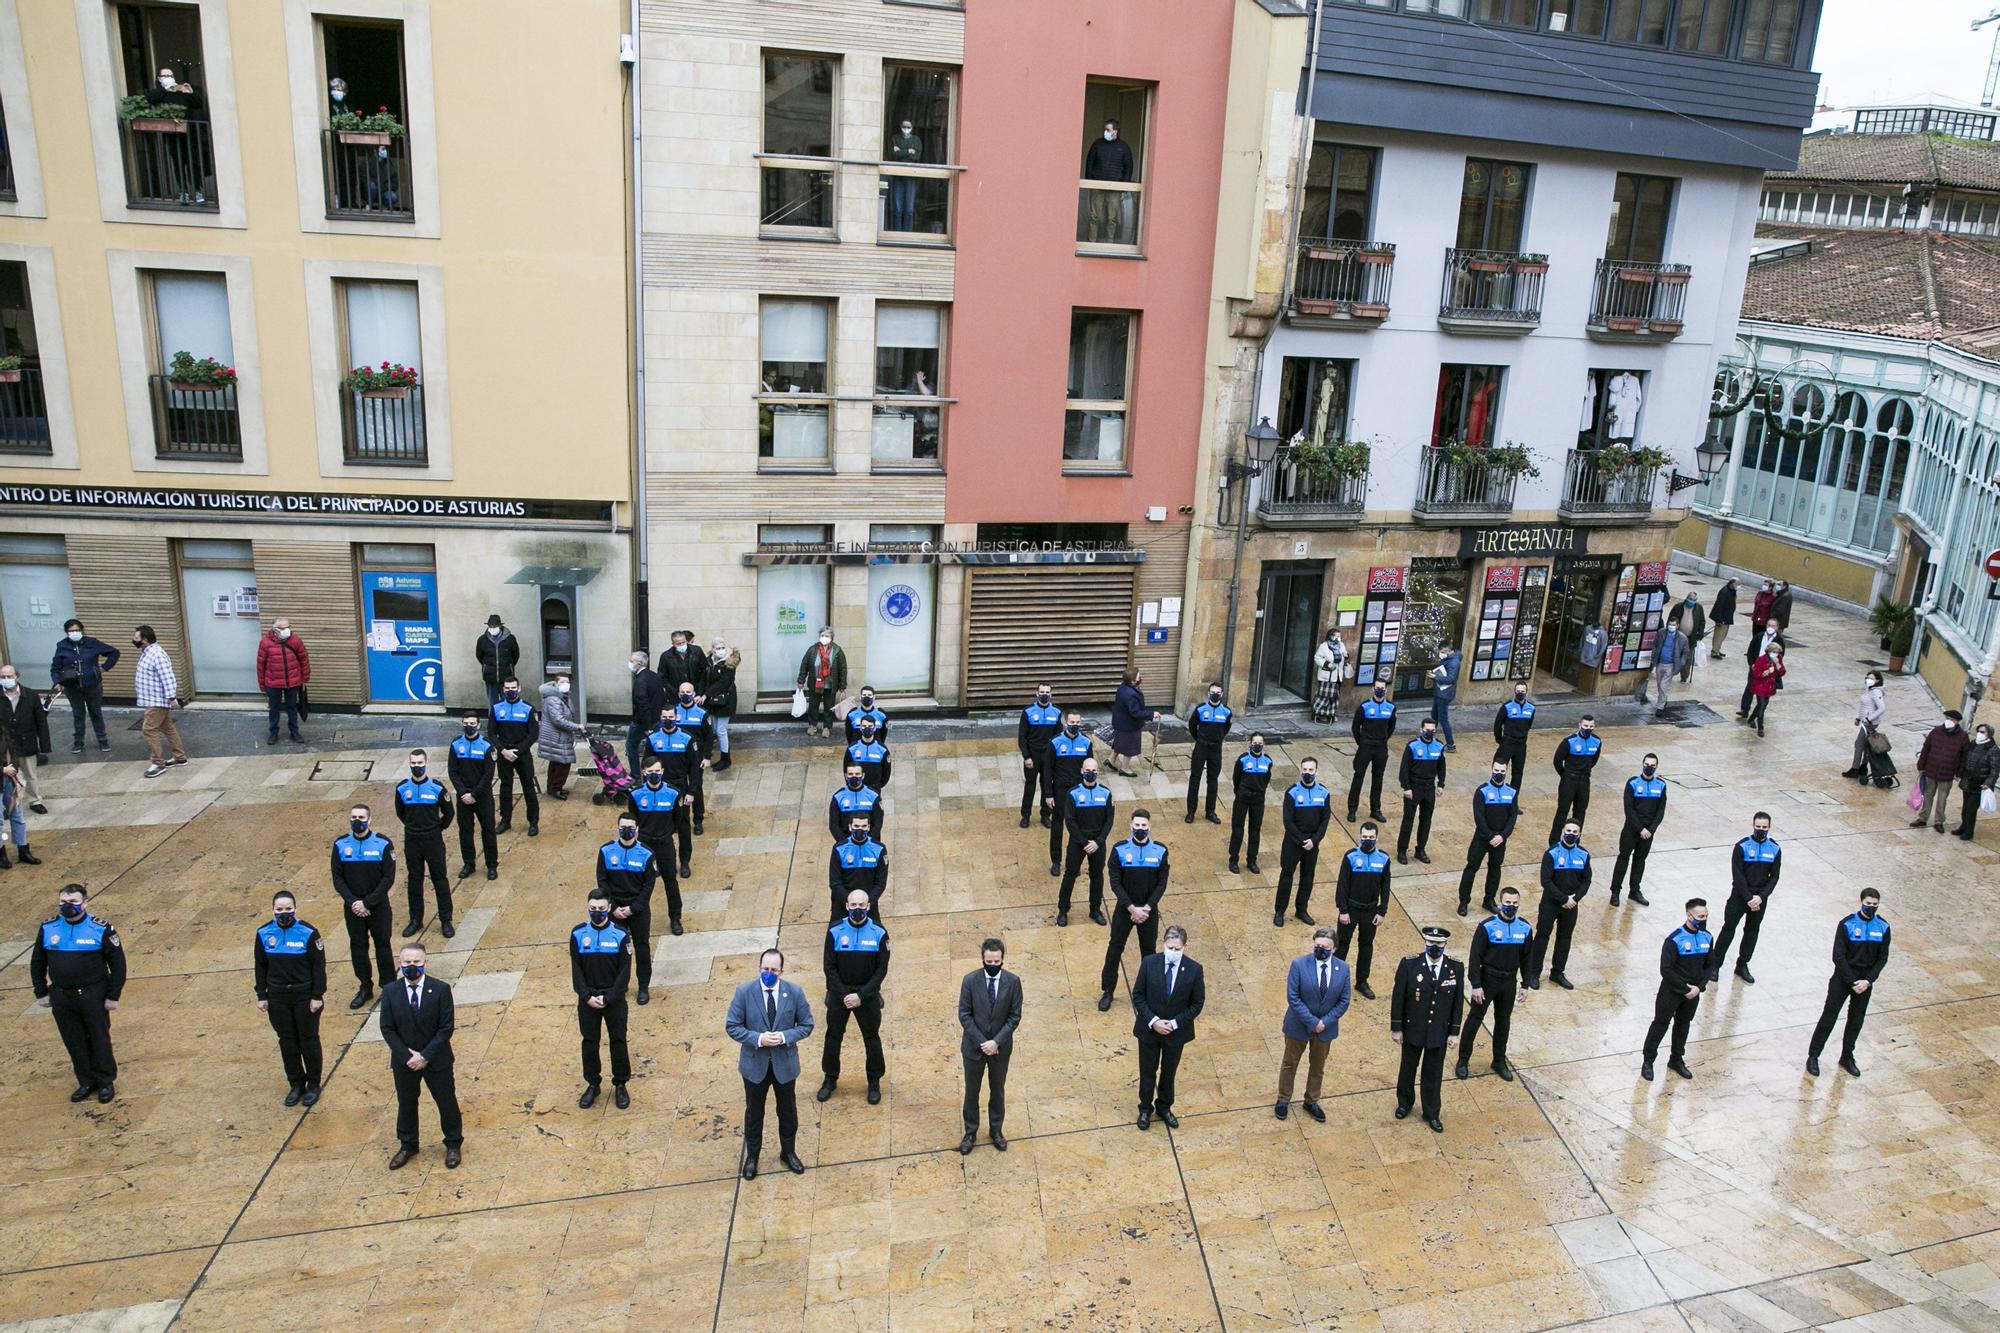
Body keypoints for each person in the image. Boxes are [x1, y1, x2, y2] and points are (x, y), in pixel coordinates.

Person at [31, 884, 125, 1104]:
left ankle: (104, 1082)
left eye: (73, 902)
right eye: (63, 902)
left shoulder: (101, 929)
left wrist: (113, 995)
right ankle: (86, 1081)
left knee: (99, 1038)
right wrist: (41, 991)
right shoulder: (48, 928)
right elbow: (38, 962)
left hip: (93, 994)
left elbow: (118, 964)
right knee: (73, 1040)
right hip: (62, 996)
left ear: (85, 903)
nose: (67, 906)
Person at [727, 948, 813, 1178]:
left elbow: (807, 1024)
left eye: (774, 970)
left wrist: (785, 1037)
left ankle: (788, 1152)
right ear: (759, 968)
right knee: (754, 1113)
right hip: (755, 1067)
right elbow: (732, 1026)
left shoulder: (794, 993)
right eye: (765, 969)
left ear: (781, 971)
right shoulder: (744, 992)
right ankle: (752, 1156)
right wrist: (758, 1039)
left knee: (787, 1112)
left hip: (784, 1066)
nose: (769, 973)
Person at [381, 944, 463, 1169]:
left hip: (436, 1059)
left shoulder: (440, 989)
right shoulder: (390, 991)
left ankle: (453, 1143)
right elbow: (387, 1028)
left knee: (446, 1101)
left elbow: (446, 1028)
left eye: (416, 962)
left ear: (425, 963)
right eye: (407, 962)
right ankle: (408, 1144)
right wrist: (408, 1056)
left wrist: (424, 1056)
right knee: (406, 1103)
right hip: (404, 1061)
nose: (412, 966)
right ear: (400, 964)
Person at [254, 890, 326, 1107]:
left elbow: (318, 967)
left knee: (308, 1040)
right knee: (287, 1042)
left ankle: (313, 1084)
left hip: (304, 996)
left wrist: (317, 996)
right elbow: (260, 966)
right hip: (278, 997)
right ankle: (296, 1083)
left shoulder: (309, 933)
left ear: (295, 909)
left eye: (288, 909)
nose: (284, 913)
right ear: (273, 910)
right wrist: (262, 995)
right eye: (279, 909)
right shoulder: (264, 933)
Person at [819, 888, 889, 1104]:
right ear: (846, 906)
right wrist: (843, 994)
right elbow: (829, 967)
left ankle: (874, 1081)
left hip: (866, 996)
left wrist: (861, 995)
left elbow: (881, 970)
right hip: (840, 994)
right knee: (833, 1037)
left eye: (861, 905)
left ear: (868, 906)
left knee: (872, 1038)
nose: (857, 909)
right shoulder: (834, 932)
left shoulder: (879, 933)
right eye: (853, 905)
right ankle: (830, 1078)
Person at [1130, 924, 1204, 1130]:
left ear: (1185, 947)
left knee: (1169, 1072)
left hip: (1175, 1033)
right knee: (1147, 1072)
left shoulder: (1194, 970)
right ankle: (1145, 1108)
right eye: (1169, 948)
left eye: (1177, 949)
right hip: (1149, 1030)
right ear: (1163, 944)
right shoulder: (1149, 963)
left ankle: (1164, 1106)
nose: (1172, 952)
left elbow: (1197, 1003)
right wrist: (1154, 1021)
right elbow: (1138, 995)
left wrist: (1173, 1023)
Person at [1390, 926, 1463, 1132]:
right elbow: (1398, 999)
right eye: (1431, 943)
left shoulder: (1455, 968)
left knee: (1433, 1073)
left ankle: (1431, 1112)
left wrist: (1454, 1032)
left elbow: (1457, 1003)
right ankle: (1404, 1103)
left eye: (1439, 944)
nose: (1434, 947)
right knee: (1408, 1068)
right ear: (1425, 943)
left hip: (1438, 1032)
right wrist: (1397, 1028)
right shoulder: (1410, 965)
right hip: (1414, 1029)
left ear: (1445, 945)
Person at [1276, 925, 1350, 1121]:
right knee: (1289, 1064)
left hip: (1325, 1029)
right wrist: (1312, 1022)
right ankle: (1283, 1099)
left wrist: (1324, 1022)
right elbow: (1293, 997)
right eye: (1317, 945)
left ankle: (1311, 1101)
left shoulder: (1343, 969)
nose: (1320, 949)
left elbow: (1344, 1000)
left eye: (1325, 947)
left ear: (1334, 949)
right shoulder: (1299, 965)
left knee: (1318, 1067)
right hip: (1298, 1025)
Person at [1456, 886, 1531, 1081]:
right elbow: (1475, 957)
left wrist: (1525, 984)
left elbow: (1527, 958)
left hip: (1509, 982)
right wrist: (1476, 984)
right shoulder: (1487, 926)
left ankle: (1498, 1060)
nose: (1511, 906)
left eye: (1515, 903)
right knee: (1475, 1018)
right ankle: (1463, 1060)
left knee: (1503, 1022)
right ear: (1499, 903)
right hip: (1488, 979)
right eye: (1507, 903)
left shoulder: (1524, 928)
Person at [571, 891, 635, 1109]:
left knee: (618, 1041)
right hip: (588, 1000)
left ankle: (620, 1084)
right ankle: (592, 1083)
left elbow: (624, 973)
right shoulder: (578, 934)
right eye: (593, 909)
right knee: (589, 1042)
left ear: (608, 908)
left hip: (613, 1000)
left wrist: (609, 998)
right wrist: (586, 996)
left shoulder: (621, 935)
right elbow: (576, 971)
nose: (596, 913)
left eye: (601, 909)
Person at [958, 937, 1021, 1153]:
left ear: (1002, 959)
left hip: (1000, 1049)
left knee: (998, 1090)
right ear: (982, 959)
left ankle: (996, 1130)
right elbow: (964, 1015)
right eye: (989, 961)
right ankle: (970, 1132)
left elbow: (1014, 1016)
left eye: (996, 962)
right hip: (974, 1048)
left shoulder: (1013, 982)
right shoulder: (969, 980)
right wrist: (983, 1042)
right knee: (971, 1092)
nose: (992, 965)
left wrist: (996, 1042)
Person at [1100, 809, 1167, 1009]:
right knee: (1114, 949)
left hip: (1148, 910)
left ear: (1149, 826)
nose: (1140, 829)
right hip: (1125, 909)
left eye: (1144, 826)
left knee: (1149, 953)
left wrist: (1146, 908)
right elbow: (1115, 882)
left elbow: (1161, 883)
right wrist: (1131, 908)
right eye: (1137, 825)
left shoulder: (1160, 851)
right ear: (1130, 825)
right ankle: (1108, 990)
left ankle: (1148, 993)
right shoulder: (1119, 850)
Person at [331, 803, 396, 1010]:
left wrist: (368, 902)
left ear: (370, 820)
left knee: (383, 946)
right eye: (353, 817)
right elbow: (337, 878)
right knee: (358, 948)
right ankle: (365, 986)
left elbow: (388, 877)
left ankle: (388, 986)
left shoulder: (383, 844)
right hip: (353, 908)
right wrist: (354, 903)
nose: (356, 821)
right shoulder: (341, 845)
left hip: (377, 906)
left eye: (361, 817)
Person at [1641, 900, 1711, 1081]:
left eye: (1705, 916)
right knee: (1660, 1024)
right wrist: (1684, 988)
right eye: (1700, 917)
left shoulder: (1707, 937)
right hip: (1672, 992)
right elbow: (1666, 969)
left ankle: (1676, 1058)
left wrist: (1699, 987)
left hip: (1693, 993)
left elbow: (1710, 965)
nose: (1703, 920)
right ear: (1689, 916)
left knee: (1683, 1024)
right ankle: (1648, 1060)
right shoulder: (1674, 939)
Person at [598, 813, 663, 1005]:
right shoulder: (606, 851)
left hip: (637, 909)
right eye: (623, 827)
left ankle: (643, 986)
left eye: (630, 828)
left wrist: (634, 908)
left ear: (637, 829)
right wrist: (614, 908)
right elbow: (602, 881)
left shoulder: (646, 853)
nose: (627, 831)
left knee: (642, 948)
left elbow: (648, 885)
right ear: (617, 828)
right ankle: (618, 986)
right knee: (615, 950)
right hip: (615, 909)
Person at [1710, 812, 1780, 984]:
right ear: (1753, 825)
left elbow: (1774, 877)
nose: (1761, 830)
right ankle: (1714, 965)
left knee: (1752, 931)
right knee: (1728, 929)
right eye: (1758, 827)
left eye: (1764, 827)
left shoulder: (1775, 848)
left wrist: (1761, 897)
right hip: (1740, 896)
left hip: (1759, 899)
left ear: (1769, 827)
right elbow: (1737, 875)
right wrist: (1749, 897)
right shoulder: (1742, 846)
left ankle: (1742, 965)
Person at [393, 749, 455, 939]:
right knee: (414, 880)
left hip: (433, 840)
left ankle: (446, 920)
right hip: (412, 840)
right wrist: (414, 827)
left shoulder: (437, 788)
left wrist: (436, 828)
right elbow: (400, 813)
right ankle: (415, 920)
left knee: (440, 879)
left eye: (420, 763)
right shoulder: (402, 788)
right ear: (409, 764)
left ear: (426, 763)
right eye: (413, 763)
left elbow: (449, 813)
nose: (417, 767)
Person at [627, 762, 686, 945]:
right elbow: (633, 818)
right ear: (644, 772)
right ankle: (633, 920)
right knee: (639, 884)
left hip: (664, 844)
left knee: (670, 881)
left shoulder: (673, 793)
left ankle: (675, 918)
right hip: (644, 845)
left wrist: (666, 833)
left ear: (663, 771)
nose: (654, 774)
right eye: (650, 772)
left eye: (657, 771)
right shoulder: (636, 794)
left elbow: (678, 819)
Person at [1529, 821, 1591, 990]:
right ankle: (1533, 973)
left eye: (1575, 831)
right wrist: (1563, 899)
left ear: (1579, 834)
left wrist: (1575, 899)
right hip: (1551, 903)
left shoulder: (1584, 854)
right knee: (1542, 936)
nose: (1571, 834)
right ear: (1563, 832)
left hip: (1572, 904)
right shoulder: (1551, 853)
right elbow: (1546, 881)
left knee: (1565, 939)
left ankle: (1557, 972)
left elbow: (1587, 880)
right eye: (1568, 830)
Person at [1333, 821, 1390, 999]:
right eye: (1364, 837)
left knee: (1366, 947)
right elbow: (1342, 884)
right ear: (1360, 837)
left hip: (1370, 911)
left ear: (1377, 838)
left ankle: (1362, 981)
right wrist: (1343, 910)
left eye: (1371, 838)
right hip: (1350, 909)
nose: (1367, 840)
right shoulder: (1350, 856)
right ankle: (1335, 982)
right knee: (1342, 945)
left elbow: (1386, 887)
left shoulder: (1383, 859)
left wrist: (1382, 911)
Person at [1457, 760, 1518, 917]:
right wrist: (1490, 836)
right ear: (1491, 770)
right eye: (1496, 770)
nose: (1499, 773)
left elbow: (1512, 817)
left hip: (1500, 839)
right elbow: (1479, 816)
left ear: (1506, 772)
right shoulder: (1482, 791)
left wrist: (1503, 836)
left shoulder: (1511, 792)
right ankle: (1464, 902)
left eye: (1502, 771)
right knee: (1471, 868)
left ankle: (1489, 900)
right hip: (1483, 837)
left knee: (1495, 869)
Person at [1275, 759, 1331, 927]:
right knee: (1286, 876)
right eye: (1305, 769)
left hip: (1312, 844)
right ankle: (1279, 911)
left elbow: (1325, 819)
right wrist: (1301, 840)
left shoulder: (1323, 793)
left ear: (1316, 771)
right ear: (1300, 771)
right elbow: (1288, 821)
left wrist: (1314, 840)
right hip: (1293, 843)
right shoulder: (1292, 792)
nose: (1308, 772)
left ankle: (1301, 910)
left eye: (1311, 769)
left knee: (1307, 877)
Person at [1059, 758, 1114, 926]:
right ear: (1082, 771)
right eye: (1088, 770)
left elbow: (1109, 820)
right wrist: (1084, 842)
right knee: (1070, 875)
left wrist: (1098, 841)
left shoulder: (1105, 793)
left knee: (1097, 876)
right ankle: (1063, 910)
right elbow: (1070, 821)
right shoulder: (1073, 793)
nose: (1091, 773)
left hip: (1098, 842)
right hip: (1078, 842)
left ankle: (1095, 910)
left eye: (1094, 770)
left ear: (1098, 772)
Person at [51, 618, 118, 754]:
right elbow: (55, 667)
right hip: (72, 686)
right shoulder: (62, 646)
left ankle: (103, 740)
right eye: (71, 631)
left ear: (82, 630)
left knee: (96, 712)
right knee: (78, 714)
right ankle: (78, 742)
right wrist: (57, 682)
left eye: (77, 630)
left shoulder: (92, 643)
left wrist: (104, 668)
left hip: (92, 684)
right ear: (66, 633)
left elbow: (114, 652)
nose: (74, 633)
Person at [1606, 754, 1665, 907]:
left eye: (1652, 765)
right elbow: (1629, 809)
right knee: (1623, 858)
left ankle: (1634, 891)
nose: (1649, 767)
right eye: (1647, 764)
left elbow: (1660, 811)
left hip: (1648, 833)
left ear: (1656, 766)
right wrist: (1640, 829)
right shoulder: (1632, 783)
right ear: (1642, 764)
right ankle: (1615, 891)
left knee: (1640, 861)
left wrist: (1650, 830)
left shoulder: (1661, 785)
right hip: (1631, 829)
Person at [448, 712, 500, 882]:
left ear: (478, 725)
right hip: (464, 797)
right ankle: (469, 863)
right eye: (466, 723)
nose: (468, 726)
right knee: (465, 831)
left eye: (472, 723)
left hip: (482, 796)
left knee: (488, 830)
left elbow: (488, 774)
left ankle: (491, 864)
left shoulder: (487, 745)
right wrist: (463, 793)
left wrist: (475, 794)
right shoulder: (456, 744)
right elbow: (453, 771)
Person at [132, 625, 186, 779]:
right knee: (167, 727)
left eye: (136, 638)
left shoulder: (157, 655)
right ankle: (179, 756)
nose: (134, 640)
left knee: (148, 729)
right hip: (151, 699)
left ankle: (158, 763)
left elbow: (168, 677)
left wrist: (171, 697)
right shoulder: (147, 653)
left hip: (156, 701)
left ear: (145, 639)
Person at [488, 676, 540, 837]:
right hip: (504, 754)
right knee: (505, 787)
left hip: (522, 755)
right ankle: (505, 820)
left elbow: (533, 734)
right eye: (507, 688)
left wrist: (518, 751)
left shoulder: (528, 708)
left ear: (519, 688)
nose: (510, 691)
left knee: (529, 787)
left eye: (513, 688)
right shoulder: (496, 708)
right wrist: (503, 750)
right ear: (503, 689)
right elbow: (491, 732)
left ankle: (533, 821)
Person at [0, 664, 53, 812]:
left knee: (30, 774)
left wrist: (44, 745)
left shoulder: (30, 695)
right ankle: (11, 804)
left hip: (27, 741)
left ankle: (35, 801)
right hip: (6, 746)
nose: (6, 679)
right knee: (10, 776)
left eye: (9, 676)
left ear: (16, 676)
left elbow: (40, 721)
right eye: (2, 677)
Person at [1047, 710, 1093, 874]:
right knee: (1058, 826)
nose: (1074, 726)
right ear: (1065, 723)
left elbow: (1090, 766)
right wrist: (1048, 794)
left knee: (1078, 827)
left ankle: (1073, 862)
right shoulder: (1055, 742)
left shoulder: (1086, 742)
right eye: (1071, 722)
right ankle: (1056, 861)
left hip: (1078, 790)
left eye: (1077, 723)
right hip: (1060, 789)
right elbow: (1048, 770)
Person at [1397, 717, 1447, 865]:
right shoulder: (1412, 746)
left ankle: (1420, 850)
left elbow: (1441, 767)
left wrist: (1441, 784)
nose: (1429, 733)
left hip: (1429, 788)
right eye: (1427, 730)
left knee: (1426, 821)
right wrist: (1406, 787)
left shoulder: (1439, 746)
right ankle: (1402, 850)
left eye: (1433, 731)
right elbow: (1404, 769)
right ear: (1421, 730)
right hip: (1414, 787)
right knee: (1408, 820)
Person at [1913, 710, 1971, 834]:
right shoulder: (1936, 731)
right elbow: (1926, 748)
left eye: (1951, 719)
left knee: (1942, 799)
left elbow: (1964, 757)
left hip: (1947, 773)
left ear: (1956, 722)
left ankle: (1939, 822)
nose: (1948, 721)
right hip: (1931, 770)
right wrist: (1921, 765)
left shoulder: (1963, 736)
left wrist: (1959, 773)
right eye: (1947, 718)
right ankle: (1923, 818)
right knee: (1928, 795)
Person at [255, 617, 310, 745]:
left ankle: (294, 732)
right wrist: (262, 684)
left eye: (288, 627)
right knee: (274, 708)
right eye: (283, 628)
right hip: (273, 683)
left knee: (292, 707)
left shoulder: (295, 641)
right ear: (275, 629)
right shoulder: (265, 643)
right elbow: (260, 665)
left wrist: (305, 678)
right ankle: (273, 733)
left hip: (292, 681)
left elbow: (304, 659)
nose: (287, 630)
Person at [1548, 715, 1601, 847]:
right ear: (1579, 726)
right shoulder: (1569, 741)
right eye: (1585, 726)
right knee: (1562, 811)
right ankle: (1554, 840)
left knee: (1580, 811)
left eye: (1591, 727)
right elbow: (1557, 761)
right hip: (1569, 780)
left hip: (1584, 781)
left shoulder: (1597, 741)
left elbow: (1594, 760)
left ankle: (1575, 840)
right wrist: (1565, 775)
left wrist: (1584, 771)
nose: (1588, 729)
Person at [1348, 682, 1397, 822]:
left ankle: (1375, 810)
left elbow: (1391, 727)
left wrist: (1383, 739)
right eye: (1377, 688)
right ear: (1373, 689)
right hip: (1366, 746)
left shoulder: (1391, 707)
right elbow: (1355, 727)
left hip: (1381, 747)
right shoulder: (1364, 707)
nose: (1379, 690)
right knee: (1358, 776)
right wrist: (1362, 742)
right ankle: (1352, 809)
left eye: (1382, 688)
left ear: (1386, 690)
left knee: (1378, 778)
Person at [1184, 683, 1232, 825]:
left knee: (1213, 781)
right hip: (1201, 747)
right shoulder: (1200, 709)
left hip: (1216, 749)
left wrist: (1217, 739)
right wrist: (1199, 739)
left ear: (1222, 694)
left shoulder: (1226, 712)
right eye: (1212, 692)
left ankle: (1210, 811)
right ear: (1208, 693)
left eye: (1218, 692)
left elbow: (1226, 728)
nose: (1215, 694)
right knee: (1195, 779)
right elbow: (1192, 726)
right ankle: (1191, 811)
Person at [670, 684, 715, 834]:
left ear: (694, 693)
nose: (685, 694)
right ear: (678, 694)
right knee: (678, 789)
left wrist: (707, 757)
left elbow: (709, 737)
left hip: (697, 756)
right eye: (682, 692)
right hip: (679, 756)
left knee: (696, 787)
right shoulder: (674, 712)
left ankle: (698, 820)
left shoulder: (702, 713)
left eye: (688, 692)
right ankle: (679, 820)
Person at [1017, 683, 1062, 829]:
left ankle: (1045, 815)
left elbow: (1059, 737)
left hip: (1048, 756)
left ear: (1051, 694)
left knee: (1047, 785)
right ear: (1036, 693)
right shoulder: (1028, 711)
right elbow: (1022, 737)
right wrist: (1026, 757)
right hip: (1033, 754)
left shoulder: (1056, 712)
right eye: (1042, 692)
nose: (1044, 694)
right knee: (1030, 785)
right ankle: (1025, 815)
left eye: (1047, 692)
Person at [828, 814, 889, 923]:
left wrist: (865, 903)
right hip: (843, 904)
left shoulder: (879, 849)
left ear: (869, 827)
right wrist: (851, 902)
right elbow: (835, 882)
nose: (860, 829)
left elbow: (880, 882)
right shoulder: (839, 849)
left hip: (868, 904)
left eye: (863, 826)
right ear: (850, 827)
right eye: (856, 826)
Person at [1082, 118, 1135, 242]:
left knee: (1112, 218)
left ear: (1115, 131)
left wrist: (1124, 185)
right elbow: (1089, 162)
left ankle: (1109, 243)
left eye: (1108, 129)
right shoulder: (1097, 144)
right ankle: (1092, 243)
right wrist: (1090, 181)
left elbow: (1128, 166)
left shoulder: (1123, 147)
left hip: (1115, 188)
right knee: (1094, 217)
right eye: (1105, 129)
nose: (1105, 132)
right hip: (1097, 186)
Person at [1228, 733, 1273, 875]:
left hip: (1258, 799)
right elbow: (1236, 778)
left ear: (1263, 744)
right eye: (1255, 742)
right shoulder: (1242, 760)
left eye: (1260, 742)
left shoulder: (1268, 761)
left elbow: (1266, 779)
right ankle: (1233, 859)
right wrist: (1240, 792)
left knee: (1255, 830)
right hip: (1242, 797)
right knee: (1238, 829)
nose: (1257, 745)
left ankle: (1251, 860)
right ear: (1250, 743)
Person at [537, 675, 587, 799]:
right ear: (556, 683)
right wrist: (577, 726)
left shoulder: (563, 696)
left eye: (567, 681)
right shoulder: (554, 699)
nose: (566, 684)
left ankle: (553, 787)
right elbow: (558, 720)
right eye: (562, 682)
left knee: (556, 761)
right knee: (564, 762)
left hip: (558, 735)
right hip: (557, 736)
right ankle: (556, 788)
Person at [795, 627, 846, 739]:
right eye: (822, 635)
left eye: (827, 636)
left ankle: (827, 727)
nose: (824, 638)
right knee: (813, 706)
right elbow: (804, 665)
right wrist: (801, 680)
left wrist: (842, 685)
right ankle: (812, 725)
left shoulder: (837, 650)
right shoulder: (812, 649)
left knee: (829, 706)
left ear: (831, 638)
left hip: (830, 685)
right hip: (815, 683)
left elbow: (842, 669)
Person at [1954, 721, 1999, 840]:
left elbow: (1994, 771)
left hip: (1980, 784)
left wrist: (1988, 784)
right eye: (1978, 731)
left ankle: (1968, 832)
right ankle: (1963, 827)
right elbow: (1965, 759)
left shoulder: (1993, 749)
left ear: (1989, 734)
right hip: (1968, 781)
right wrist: (1960, 774)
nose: (1979, 733)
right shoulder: (1973, 743)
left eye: (1982, 732)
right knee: (1965, 807)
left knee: (1971, 809)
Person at [1109, 668, 1157, 777]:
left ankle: (1111, 759)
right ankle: (1124, 768)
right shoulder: (1131, 694)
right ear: (1132, 680)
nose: (1140, 678)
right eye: (1138, 677)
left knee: (1119, 742)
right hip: (1129, 725)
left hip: (1120, 722)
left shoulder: (1122, 687)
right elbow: (1135, 712)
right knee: (1129, 747)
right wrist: (1151, 714)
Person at [627, 650, 666, 781]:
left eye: (632, 661)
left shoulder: (640, 681)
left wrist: (646, 726)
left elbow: (642, 705)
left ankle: (635, 775)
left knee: (631, 745)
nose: (630, 663)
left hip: (643, 721)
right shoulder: (653, 676)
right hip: (656, 718)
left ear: (639, 663)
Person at [1491, 683, 1536, 793]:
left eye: (1522, 691)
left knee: (1517, 773)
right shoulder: (1507, 707)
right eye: (1518, 691)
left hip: (1521, 744)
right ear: (1515, 692)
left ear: (1526, 692)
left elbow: (1529, 725)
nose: (1520, 693)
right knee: (1498, 769)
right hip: (1507, 742)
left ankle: (1513, 802)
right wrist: (1500, 740)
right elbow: (1497, 725)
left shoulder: (1531, 708)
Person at [829, 761, 886, 845]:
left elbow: (878, 823)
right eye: (851, 774)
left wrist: (868, 842)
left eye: (857, 774)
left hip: (870, 845)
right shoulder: (838, 797)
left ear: (863, 775)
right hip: (846, 846)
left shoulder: (873, 796)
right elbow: (834, 825)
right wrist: (846, 843)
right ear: (845, 775)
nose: (854, 777)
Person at [1845, 671, 1887, 782]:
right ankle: (1862, 767)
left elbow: (1882, 708)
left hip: (1870, 723)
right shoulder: (1869, 689)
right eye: (1867, 677)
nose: (1868, 679)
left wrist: (1868, 719)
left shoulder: (1876, 691)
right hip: (1865, 722)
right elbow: (1864, 707)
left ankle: (1855, 769)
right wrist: (1859, 718)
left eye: (1871, 678)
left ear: (1877, 680)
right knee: (1865, 745)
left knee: (1859, 743)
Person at [1, 746, 38, 869]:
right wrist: (3, 769)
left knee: (18, 816)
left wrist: (13, 768)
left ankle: (23, 850)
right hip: (5, 775)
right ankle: (1, 856)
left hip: (9, 779)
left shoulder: (4, 730)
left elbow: (11, 749)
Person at [707, 640, 740, 771]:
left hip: (725, 700)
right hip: (714, 701)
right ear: (713, 649)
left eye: (722, 647)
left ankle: (726, 758)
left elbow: (724, 683)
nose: (720, 650)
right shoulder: (710, 661)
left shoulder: (729, 663)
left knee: (721, 730)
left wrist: (707, 693)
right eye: (717, 648)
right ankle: (724, 756)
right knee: (715, 729)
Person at [475, 614, 520, 708]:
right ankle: (493, 721)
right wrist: (487, 667)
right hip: (490, 678)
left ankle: (507, 721)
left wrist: (509, 667)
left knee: (507, 701)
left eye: (494, 626)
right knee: (493, 704)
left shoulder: (510, 639)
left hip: (506, 678)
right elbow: (479, 656)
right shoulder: (482, 640)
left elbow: (515, 656)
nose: (492, 628)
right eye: (490, 626)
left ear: (500, 626)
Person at [886, 117, 921, 231]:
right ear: (900, 127)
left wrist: (900, 151)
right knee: (897, 208)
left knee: (909, 209)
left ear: (912, 128)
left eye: (908, 127)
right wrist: (908, 151)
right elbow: (892, 155)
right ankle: (897, 233)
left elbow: (916, 156)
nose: (906, 129)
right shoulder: (894, 138)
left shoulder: (916, 140)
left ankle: (907, 234)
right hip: (897, 175)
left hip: (911, 175)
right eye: (904, 127)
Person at [1742, 643, 1785, 737]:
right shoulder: (1761, 659)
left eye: (1777, 653)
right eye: (1774, 652)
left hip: (1770, 686)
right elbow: (1756, 673)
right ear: (1768, 651)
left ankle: (1751, 718)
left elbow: (1782, 672)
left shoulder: (1778, 659)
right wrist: (1764, 673)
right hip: (1760, 686)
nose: (1776, 654)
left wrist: (1778, 664)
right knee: (1761, 706)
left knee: (1763, 706)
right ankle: (1760, 728)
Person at [1642, 624, 1684, 713]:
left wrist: (1680, 664)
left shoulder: (1681, 637)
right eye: (1670, 624)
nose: (1671, 626)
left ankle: (1660, 706)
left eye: (1673, 625)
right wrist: (1654, 656)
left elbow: (1685, 652)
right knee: (1659, 684)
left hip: (1671, 665)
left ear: (1677, 625)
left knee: (1663, 685)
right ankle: (1663, 700)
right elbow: (1655, 644)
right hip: (1660, 663)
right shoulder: (1661, 633)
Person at [657, 628, 707, 700]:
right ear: (673, 644)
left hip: (696, 694)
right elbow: (662, 677)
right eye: (678, 644)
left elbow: (705, 671)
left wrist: (700, 692)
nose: (682, 645)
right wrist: (675, 692)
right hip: (676, 695)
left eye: (683, 642)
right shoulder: (666, 656)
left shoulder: (696, 651)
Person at [846, 715, 891, 792]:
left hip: (875, 789)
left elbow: (886, 771)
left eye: (870, 726)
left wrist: (878, 785)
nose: (867, 728)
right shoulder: (852, 749)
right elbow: (846, 769)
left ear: (875, 728)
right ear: (860, 728)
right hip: (856, 789)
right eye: (864, 726)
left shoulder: (883, 749)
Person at [1431, 646, 1463, 751]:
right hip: (1440, 692)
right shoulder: (1449, 660)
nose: (1441, 654)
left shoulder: (1454, 662)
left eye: (1442, 652)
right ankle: (1430, 735)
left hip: (1444, 694)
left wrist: (1435, 677)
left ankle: (1450, 744)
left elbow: (1451, 679)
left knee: (1443, 719)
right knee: (1434, 715)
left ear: (1448, 650)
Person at [1311, 629, 1346, 724]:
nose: (1339, 638)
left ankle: (1332, 713)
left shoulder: (1341, 645)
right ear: (1331, 636)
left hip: (1338, 675)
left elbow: (1343, 657)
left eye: (1339, 636)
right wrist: (1327, 664)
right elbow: (1317, 658)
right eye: (1337, 636)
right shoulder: (1324, 646)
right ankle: (1319, 713)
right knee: (1324, 696)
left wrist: (1346, 656)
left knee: (1334, 697)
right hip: (1327, 676)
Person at [1672, 592, 1706, 684]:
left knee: (1687, 658)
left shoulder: (1699, 608)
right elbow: (1671, 619)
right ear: (1686, 598)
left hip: (1690, 638)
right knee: (1674, 655)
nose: (1692, 601)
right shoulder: (1678, 607)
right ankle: (1671, 673)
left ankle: (1684, 677)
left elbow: (1702, 622)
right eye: (1690, 599)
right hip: (1678, 636)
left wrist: (1700, 634)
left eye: (1694, 600)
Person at [1706, 578, 1738, 659]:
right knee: (1719, 635)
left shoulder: (1732, 591)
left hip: (1727, 617)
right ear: (1732, 583)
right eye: (1737, 584)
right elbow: (1719, 606)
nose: (1738, 586)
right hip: (1722, 618)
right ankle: (1714, 651)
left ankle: (1717, 649)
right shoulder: (1724, 591)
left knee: (1723, 635)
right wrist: (1719, 619)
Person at [1748, 577, 1776, 646]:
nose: (1764, 586)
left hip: (1764, 621)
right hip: (1756, 618)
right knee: (1754, 635)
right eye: (1764, 584)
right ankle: (1753, 649)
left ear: (1770, 587)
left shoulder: (1773, 596)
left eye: (1766, 585)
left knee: (1761, 637)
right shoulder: (1760, 593)